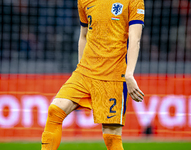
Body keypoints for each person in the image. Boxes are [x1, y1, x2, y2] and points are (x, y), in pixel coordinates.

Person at [41, 0, 145, 149]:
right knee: (55, 111)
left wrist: (129, 74)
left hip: (113, 75)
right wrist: (80, 68)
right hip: (85, 71)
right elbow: (83, 35)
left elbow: (135, 38)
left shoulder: (133, 1)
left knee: (111, 135)